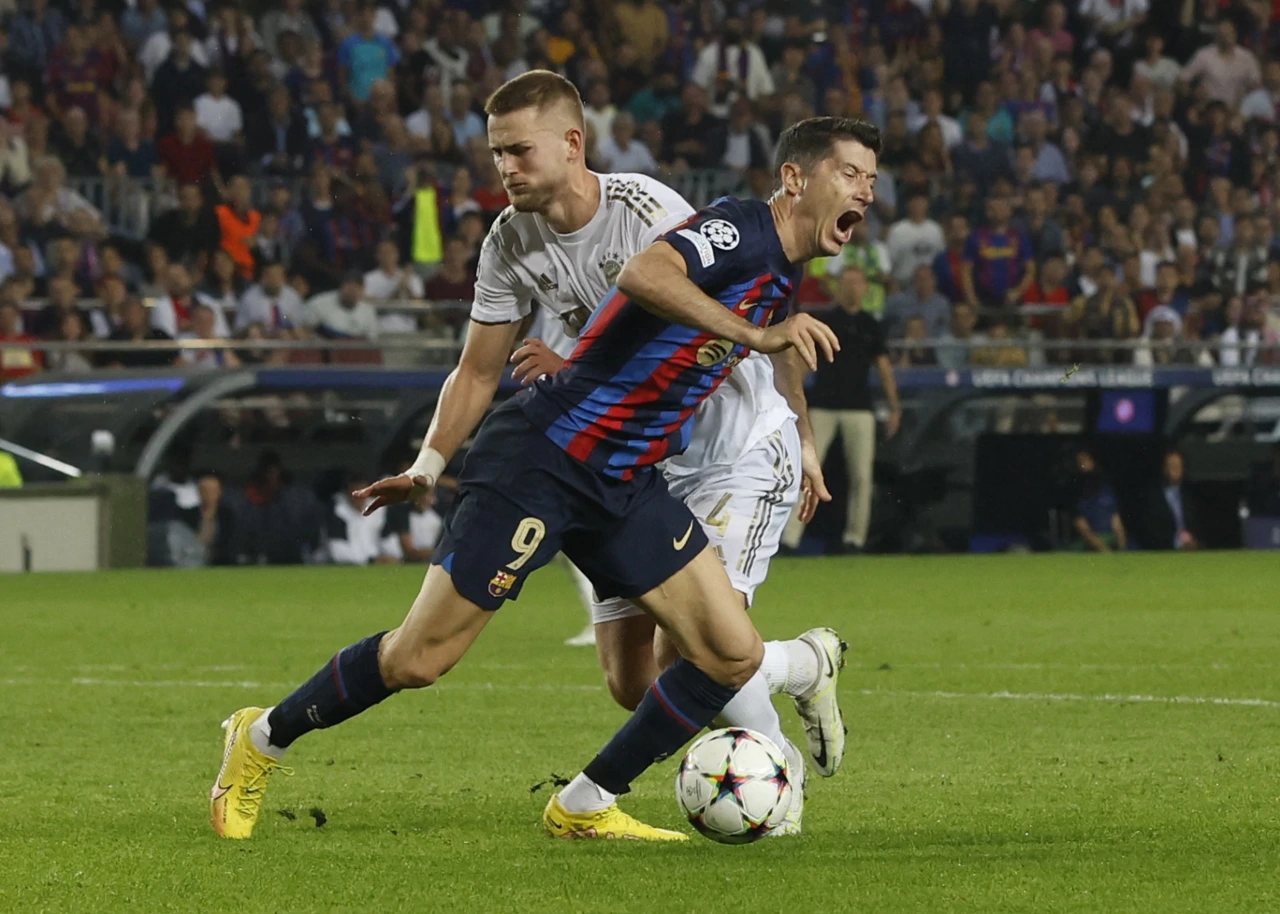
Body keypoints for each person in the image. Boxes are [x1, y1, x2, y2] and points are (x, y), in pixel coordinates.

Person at [210, 101, 875, 845]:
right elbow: (647, 273)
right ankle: (260, 738)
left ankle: (585, 803)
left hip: (624, 477)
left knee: (730, 653)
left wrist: (799, 430)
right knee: (421, 658)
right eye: (850, 173)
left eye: (871, 180)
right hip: (543, 459)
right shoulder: (737, 230)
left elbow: (656, 330)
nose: (865, 191)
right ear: (795, 179)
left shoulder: (779, 272)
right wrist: (753, 334)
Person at [780, 267, 901, 555]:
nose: (851, 288)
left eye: (856, 283)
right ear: (837, 288)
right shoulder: (826, 320)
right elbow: (805, 361)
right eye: (846, 283)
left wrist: (894, 406)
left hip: (860, 407)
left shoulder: (871, 324)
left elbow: (884, 367)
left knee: (862, 475)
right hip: (823, 405)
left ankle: (855, 539)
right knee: (807, 470)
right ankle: (789, 538)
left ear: (864, 288)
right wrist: (793, 399)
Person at [1071, 448, 1127, 551]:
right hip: (1088, 544)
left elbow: (1116, 521)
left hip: (1110, 539)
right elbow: (1082, 527)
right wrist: (1104, 549)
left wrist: (1121, 546)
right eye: (1079, 462)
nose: (1083, 464)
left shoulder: (1106, 490)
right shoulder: (1076, 494)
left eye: (1086, 460)